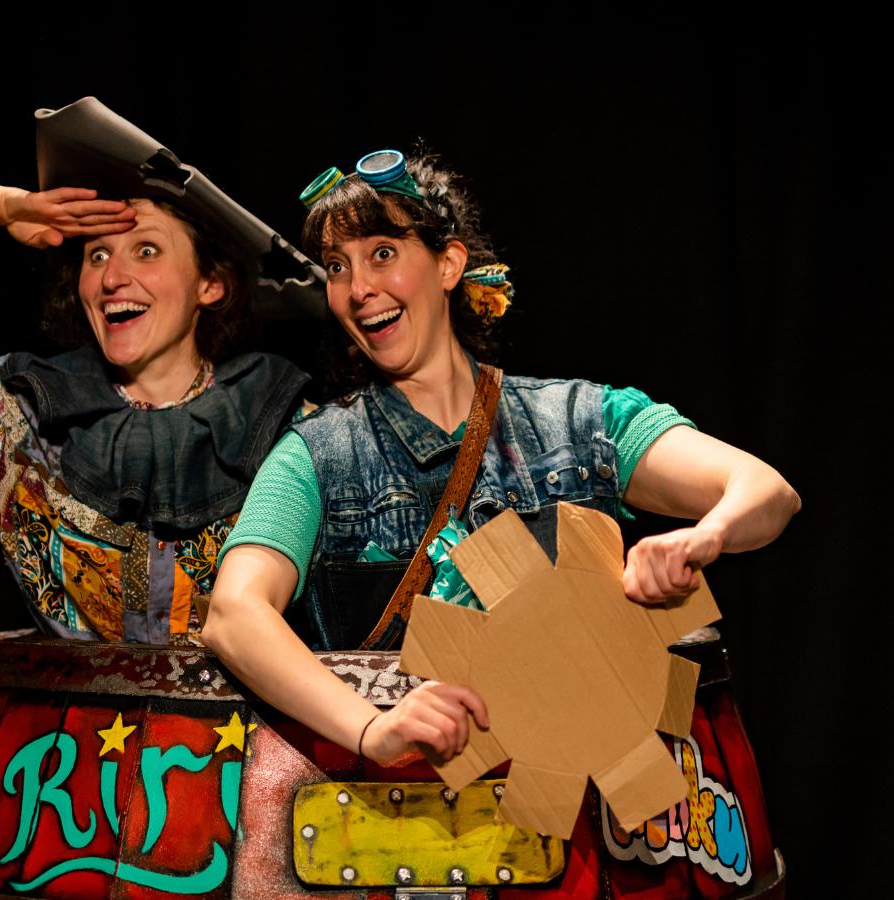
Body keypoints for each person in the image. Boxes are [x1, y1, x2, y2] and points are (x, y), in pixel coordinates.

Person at [202, 149, 799, 765]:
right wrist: (370, 729)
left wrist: (700, 540)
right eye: (336, 267)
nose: (358, 290)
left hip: (585, 824)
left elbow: (766, 491)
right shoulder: (315, 455)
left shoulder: (581, 420)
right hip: (404, 825)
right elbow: (233, 615)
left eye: (383, 253)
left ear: (449, 263)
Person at [0, 183, 309, 644]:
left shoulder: (284, 421)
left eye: (146, 251)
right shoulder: (19, 419)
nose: (112, 277)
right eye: (97, 255)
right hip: (70, 744)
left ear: (210, 284)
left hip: (247, 742)